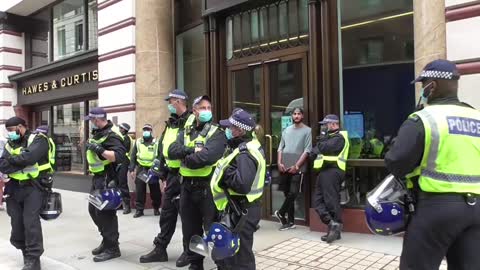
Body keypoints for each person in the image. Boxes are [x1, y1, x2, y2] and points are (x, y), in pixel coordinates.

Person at [385, 59, 480, 270]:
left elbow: (396, 163)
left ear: (433, 85)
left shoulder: (424, 118)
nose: (422, 89)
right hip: (476, 210)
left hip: (436, 208)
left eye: (423, 84)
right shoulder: (477, 117)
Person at [168, 95, 227, 270]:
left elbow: (206, 157)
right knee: (191, 232)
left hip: (207, 189)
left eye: (209, 108)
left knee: (214, 231)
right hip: (186, 187)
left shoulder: (216, 132)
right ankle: (195, 264)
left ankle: (223, 265)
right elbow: (172, 150)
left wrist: (185, 157)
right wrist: (192, 150)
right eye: (202, 108)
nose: (206, 111)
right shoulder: (185, 130)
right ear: (194, 111)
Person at [140, 89, 194, 266]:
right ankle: (160, 248)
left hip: (187, 176)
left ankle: (189, 252)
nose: (169, 104)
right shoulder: (171, 123)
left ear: (179, 101)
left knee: (188, 217)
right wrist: (162, 174)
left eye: (170, 101)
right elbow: (163, 149)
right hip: (172, 176)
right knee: (167, 214)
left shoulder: (191, 122)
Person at [211, 108, 266, 269]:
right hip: (241, 208)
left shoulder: (245, 153)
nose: (227, 130)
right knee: (229, 255)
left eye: (230, 127)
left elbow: (242, 184)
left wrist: (225, 172)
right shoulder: (247, 146)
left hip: (241, 210)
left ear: (239, 130)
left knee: (240, 258)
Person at [0, 117, 50, 270]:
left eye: (11, 130)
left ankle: (34, 259)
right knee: (17, 224)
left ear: (20, 127)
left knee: (31, 223)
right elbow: (3, 165)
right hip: (14, 189)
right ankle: (24, 251)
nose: (9, 134)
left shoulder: (39, 139)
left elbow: (30, 157)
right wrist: (20, 161)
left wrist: (14, 161)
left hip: (33, 187)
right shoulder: (10, 144)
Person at [84, 107, 126, 262]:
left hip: (108, 178)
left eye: (92, 120)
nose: (91, 123)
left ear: (97, 119)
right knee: (93, 210)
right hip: (98, 178)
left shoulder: (112, 135)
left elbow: (119, 156)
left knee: (105, 214)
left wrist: (99, 149)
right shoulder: (100, 133)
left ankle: (112, 247)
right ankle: (106, 239)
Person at [311, 114, 349, 243]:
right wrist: (321, 143)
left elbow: (323, 148)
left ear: (333, 124)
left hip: (333, 171)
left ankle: (334, 230)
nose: (324, 127)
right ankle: (333, 224)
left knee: (331, 201)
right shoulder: (330, 137)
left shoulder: (339, 138)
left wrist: (321, 140)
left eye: (326, 124)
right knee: (317, 201)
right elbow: (314, 150)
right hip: (324, 171)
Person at [275, 107, 312, 231]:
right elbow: (280, 147)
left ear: (302, 116)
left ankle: (281, 212)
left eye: (298, 114)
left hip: (298, 167)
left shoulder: (308, 131)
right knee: (287, 193)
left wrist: (297, 166)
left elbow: (307, 150)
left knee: (293, 193)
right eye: (294, 114)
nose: (296, 116)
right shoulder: (286, 130)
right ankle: (289, 222)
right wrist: (279, 162)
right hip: (285, 166)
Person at [129, 124, 162, 218]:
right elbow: (133, 156)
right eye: (144, 130)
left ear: (151, 131)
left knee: (155, 190)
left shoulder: (156, 142)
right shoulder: (138, 142)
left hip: (152, 169)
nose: (146, 131)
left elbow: (160, 156)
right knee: (140, 190)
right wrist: (132, 169)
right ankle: (139, 210)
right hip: (141, 169)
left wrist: (157, 168)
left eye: (148, 129)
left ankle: (156, 208)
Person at [118, 123, 133, 214]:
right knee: (118, 183)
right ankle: (119, 204)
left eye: (120, 128)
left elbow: (123, 150)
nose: (119, 129)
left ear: (124, 130)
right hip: (120, 161)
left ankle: (127, 205)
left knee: (122, 183)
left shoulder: (126, 138)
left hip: (124, 161)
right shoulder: (123, 137)